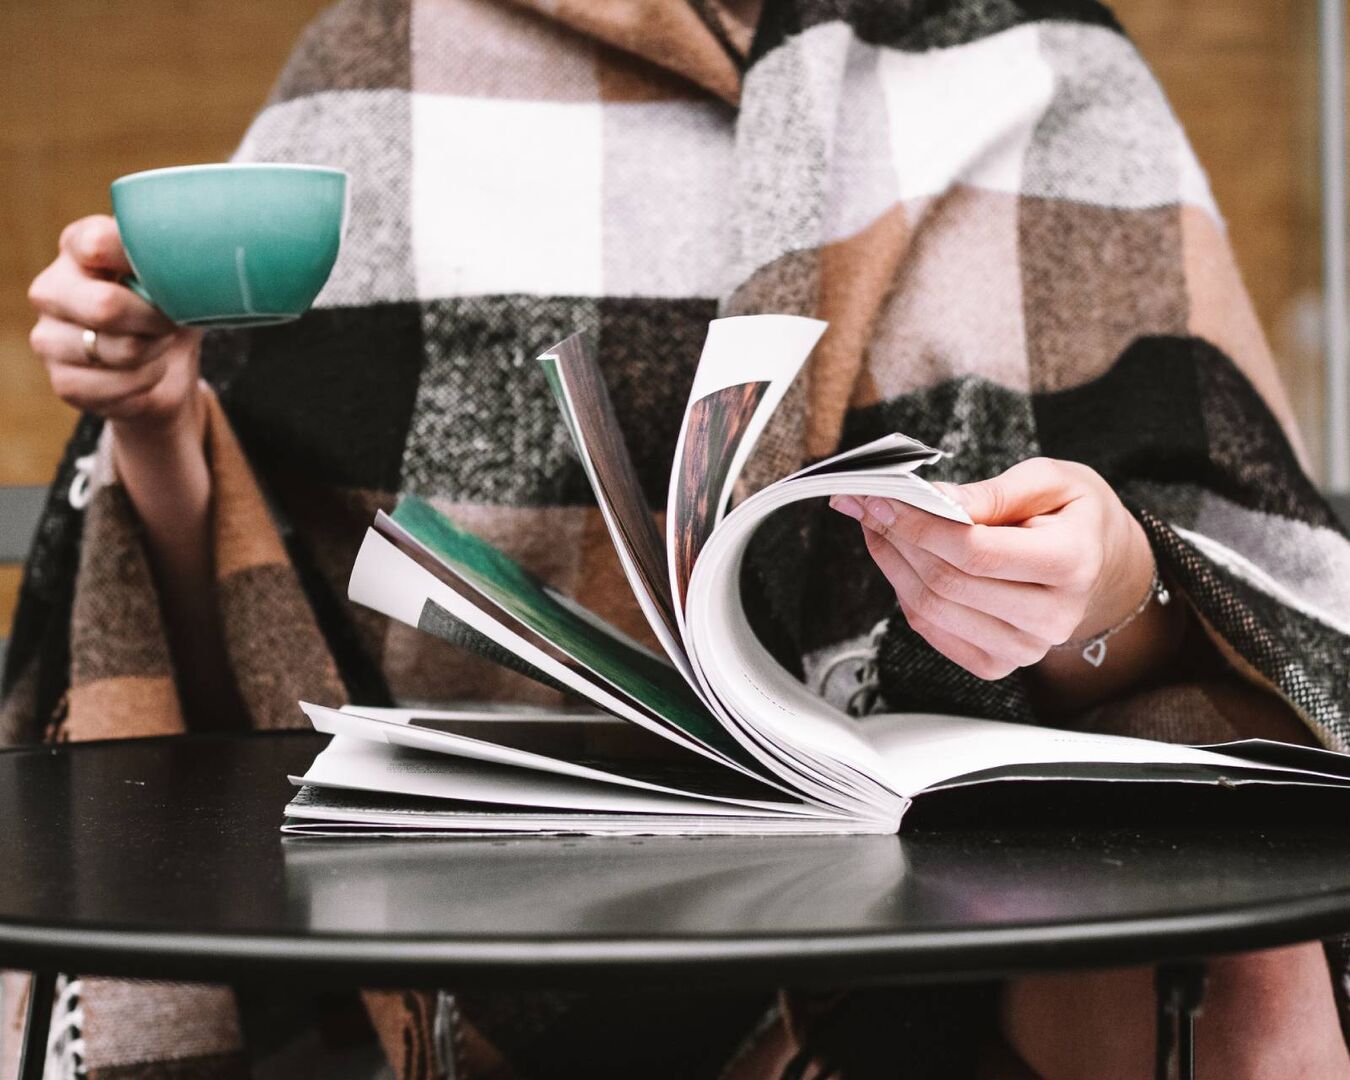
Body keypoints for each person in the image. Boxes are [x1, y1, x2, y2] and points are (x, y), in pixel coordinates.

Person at [9, 0, 1350, 1076]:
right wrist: (158, 422)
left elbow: (1246, 606)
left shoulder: (1050, 64)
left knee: (1237, 958)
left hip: (953, 936)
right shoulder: (378, 57)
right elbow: (242, 651)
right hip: (457, 920)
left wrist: (1111, 585)